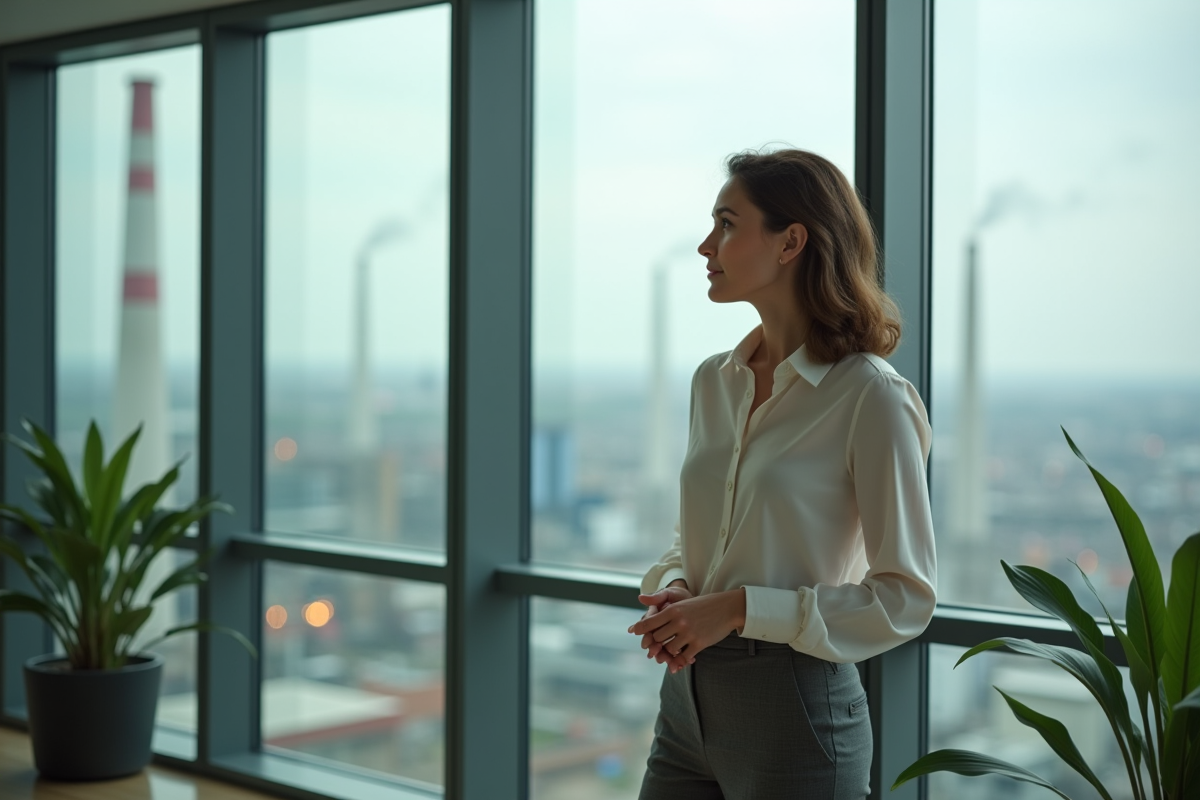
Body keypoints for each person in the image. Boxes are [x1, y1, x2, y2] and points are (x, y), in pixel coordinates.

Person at [628, 148, 937, 800]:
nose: (706, 244)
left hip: (795, 707)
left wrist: (737, 609)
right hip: (686, 702)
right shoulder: (714, 382)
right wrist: (680, 584)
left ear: (792, 240)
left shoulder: (870, 397)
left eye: (727, 224)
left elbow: (904, 598)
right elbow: (700, 536)